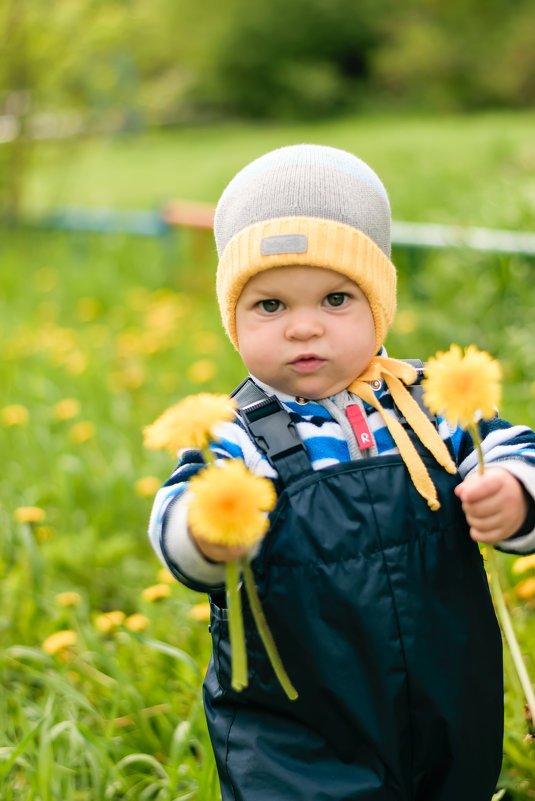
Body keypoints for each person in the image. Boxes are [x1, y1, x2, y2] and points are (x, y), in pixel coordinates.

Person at [148, 144, 535, 801]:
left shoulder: (432, 403)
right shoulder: (237, 434)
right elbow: (179, 507)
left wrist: (516, 495)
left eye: (333, 298)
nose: (303, 328)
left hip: (444, 694)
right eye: (269, 306)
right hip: (301, 724)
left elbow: (509, 447)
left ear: (378, 304)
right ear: (232, 319)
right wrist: (207, 533)